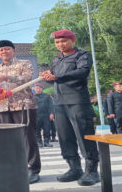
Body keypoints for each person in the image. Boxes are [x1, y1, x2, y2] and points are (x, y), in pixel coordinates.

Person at [40, 29, 99, 186]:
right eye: (57, 42)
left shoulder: (82, 55)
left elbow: (82, 72)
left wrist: (57, 77)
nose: (60, 44)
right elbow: (51, 81)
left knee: (84, 136)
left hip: (77, 101)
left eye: (63, 41)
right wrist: (46, 77)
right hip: (59, 103)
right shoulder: (56, 60)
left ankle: (92, 171)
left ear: (72, 40)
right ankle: (74, 168)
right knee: (65, 137)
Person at [0, 40, 41, 184]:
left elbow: (28, 78)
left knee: (28, 137)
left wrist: (7, 77)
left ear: (14, 50)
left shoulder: (24, 64)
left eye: (7, 49)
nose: (4, 52)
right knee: (8, 139)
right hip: (4, 107)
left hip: (23, 105)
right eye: (1, 50)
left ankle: (33, 169)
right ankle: (14, 168)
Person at [33, 83, 54, 148]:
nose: (38, 89)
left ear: (41, 88)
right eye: (36, 88)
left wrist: (52, 113)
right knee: (37, 130)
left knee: (47, 129)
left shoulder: (47, 96)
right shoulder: (32, 97)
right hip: (36, 115)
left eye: (39, 88)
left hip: (46, 115)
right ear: (34, 89)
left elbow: (51, 105)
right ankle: (39, 142)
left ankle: (46, 142)